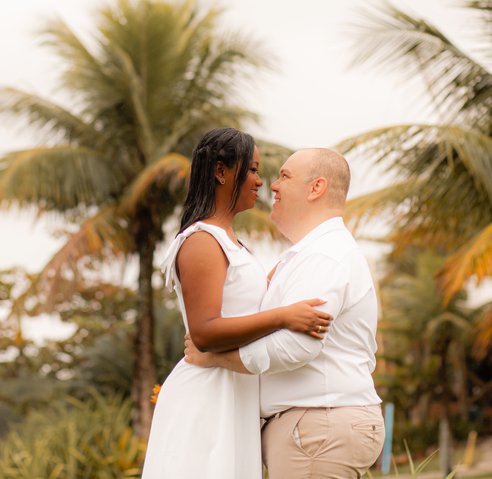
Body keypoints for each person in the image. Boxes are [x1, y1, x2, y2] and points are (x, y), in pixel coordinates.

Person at [141, 128, 333, 479]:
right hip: (207, 396)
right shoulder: (202, 240)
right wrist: (282, 317)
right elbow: (204, 333)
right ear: (221, 171)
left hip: (233, 392)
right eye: (253, 170)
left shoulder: (230, 243)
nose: (261, 181)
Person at [185, 148, 384, 479]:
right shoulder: (313, 254)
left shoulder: (323, 256)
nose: (271, 185)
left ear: (316, 188)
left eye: (285, 176)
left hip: (317, 424)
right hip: (317, 423)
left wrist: (216, 358)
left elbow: (297, 346)